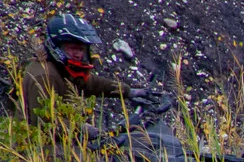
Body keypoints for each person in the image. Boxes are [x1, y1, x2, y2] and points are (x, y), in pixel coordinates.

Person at [16, 13, 147, 133]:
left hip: (58, 140)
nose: (78, 54)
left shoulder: (63, 68)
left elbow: (91, 83)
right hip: (33, 148)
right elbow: (44, 124)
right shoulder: (44, 75)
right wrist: (84, 129)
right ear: (57, 46)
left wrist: (127, 91)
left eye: (81, 50)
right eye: (73, 49)